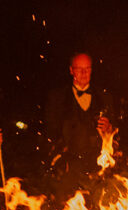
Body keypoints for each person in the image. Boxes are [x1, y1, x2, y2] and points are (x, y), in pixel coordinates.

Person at [44, 52, 115, 200]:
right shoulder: (57, 97)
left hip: (97, 166)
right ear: (71, 70)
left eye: (87, 69)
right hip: (67, 167)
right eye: (79, 69)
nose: (83, 73)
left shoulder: (104, 96)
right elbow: (50, 131)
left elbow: (116, 132)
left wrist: (108, 128)